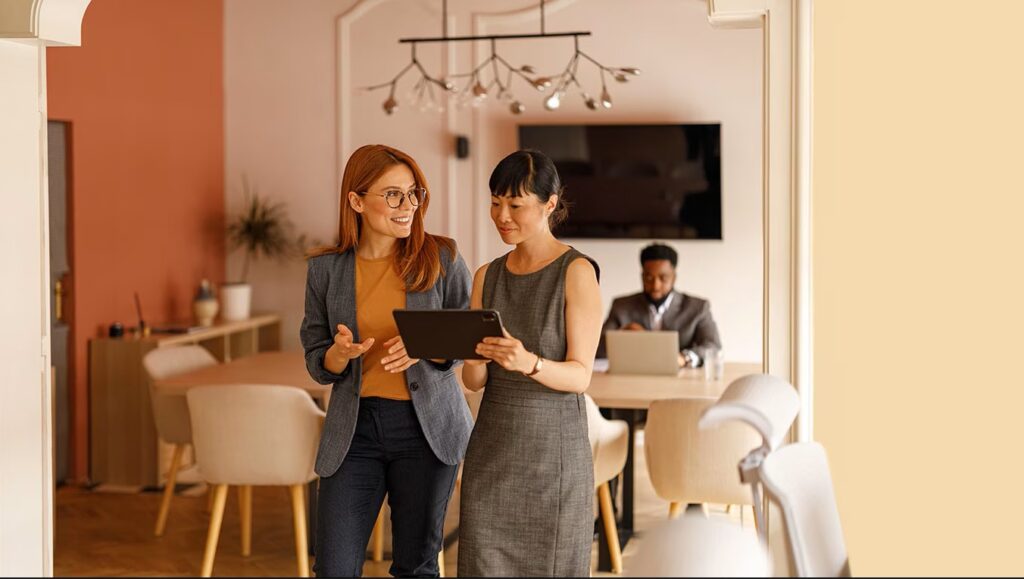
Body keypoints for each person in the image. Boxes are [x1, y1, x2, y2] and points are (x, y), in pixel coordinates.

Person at [300, 144, 473, 577]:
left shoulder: (442, 257)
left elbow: (469, 338)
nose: (408, 205)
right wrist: (337, 355)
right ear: (356, 201)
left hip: (426, 429)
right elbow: (315, 355)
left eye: (413, 193)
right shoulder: (326, 269)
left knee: (416, 566)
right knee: (334, 568)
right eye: (393, 194)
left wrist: (425, 343)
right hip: (353, 431)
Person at [458, 149, 603, 576]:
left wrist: (529, 363)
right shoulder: (487, 275)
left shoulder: (575, 272)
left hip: (552, 457)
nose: (502, 215)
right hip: (492, 450)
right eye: (495, 202)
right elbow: (473, 380)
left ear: (550, 204)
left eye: (515, 205)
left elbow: (580, 376)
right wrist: (474, 355)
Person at [596, 242, 721, 367]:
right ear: (642, 276)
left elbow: (713, 346)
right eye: (649, 278)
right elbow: (597, 349)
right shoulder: (622, 306)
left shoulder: (698, 307)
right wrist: (621, 335)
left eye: (663, 278)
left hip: (681, 380)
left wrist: (684, 358)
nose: (656, 285)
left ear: (674, 277)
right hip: (634, 378)